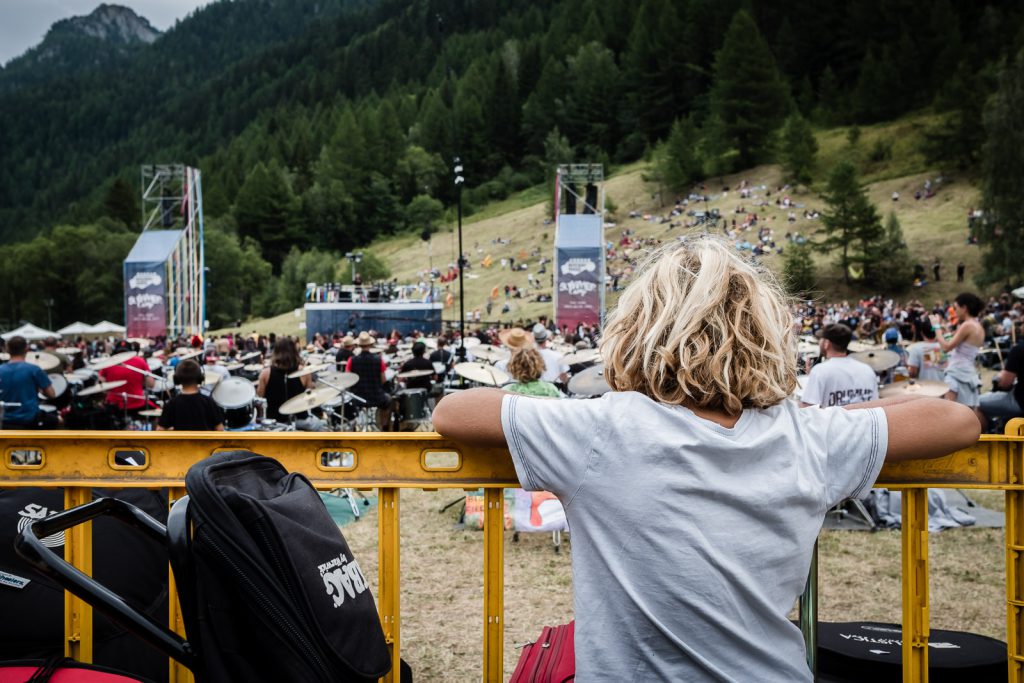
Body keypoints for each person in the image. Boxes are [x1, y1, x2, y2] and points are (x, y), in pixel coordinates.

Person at [432, 237, 979, 681]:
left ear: (636, 333)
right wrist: (832, 414)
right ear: (764, 334)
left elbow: (454, 412)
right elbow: (957, 421)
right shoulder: (812, 436)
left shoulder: (601, 428)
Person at [799, 323, 879, 408]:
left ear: (826, 343)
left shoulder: (820, 371)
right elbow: (875, 406)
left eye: (821, 339)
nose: (819, 342)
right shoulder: (867, 370)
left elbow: (807, 409)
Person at [257, 337, 326, 430]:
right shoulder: (304, 371)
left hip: (275, 423)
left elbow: (259, 401)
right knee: (323, 425)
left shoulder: (265, 373)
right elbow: (311, 398)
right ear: (294, 351)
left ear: (275, 352)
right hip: (301, 420)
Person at [937, 292, 984, 412]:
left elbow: (946, 347)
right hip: (968, 373)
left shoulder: (967, 325)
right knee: (967, 415)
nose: (954, 310)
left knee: (949, 413)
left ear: (964, 308)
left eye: (956, 307)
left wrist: (936, 327)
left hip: (957, 373)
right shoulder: (978, 327)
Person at [0, 336, 57, 429]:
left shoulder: (0, 369)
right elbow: (52, 394)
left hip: (4, 419)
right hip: (29, 419)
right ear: (26, 348)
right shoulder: (34, 370)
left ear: (7, 349)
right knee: (58, 420)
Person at [157, 360, 224, 431]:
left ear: (176, 379)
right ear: (200, 378)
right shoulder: (209, 402)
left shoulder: (172, 404)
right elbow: (220, 428)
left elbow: (160, 430)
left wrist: (172, 430)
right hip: (204, 442)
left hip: (180, 442)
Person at [346, 332, 392, 430]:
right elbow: (383, 380)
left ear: (358, 345)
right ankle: (384, 428)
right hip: (376, 397)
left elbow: (348, 379)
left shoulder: (351, 360)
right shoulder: (379, 360)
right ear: (370, 344)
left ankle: (354, 429)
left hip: (358, 398)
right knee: (388, 401)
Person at [100, 344, 156, 418]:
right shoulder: (140, 361)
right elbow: (151, 384)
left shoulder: (107, 363)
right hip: (137, 405)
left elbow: (101, 385)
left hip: (114, 406)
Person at [979, 339, 1024, 431]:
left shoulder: (1019, 348)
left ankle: (991, 432)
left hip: (1020, 402)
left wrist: (1000, 377)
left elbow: (1005, 383)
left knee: (975, 403)